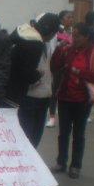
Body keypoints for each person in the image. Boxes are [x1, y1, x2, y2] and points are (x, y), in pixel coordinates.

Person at [50, 22, 94, 179]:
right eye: (72, 36)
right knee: (63, 133)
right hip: (65, 97)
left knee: (79, 134)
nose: (73, 39)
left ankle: (75, 165)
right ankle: (61, 162)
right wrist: (58, 49)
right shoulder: (68, 50)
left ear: (86, 37)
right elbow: (55, 66)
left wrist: (80, 72)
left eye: (77, 37)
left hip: (83, 100)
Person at [6, 13, 60, 148]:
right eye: (54, 32)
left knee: (34, 138)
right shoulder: (31, 43)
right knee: (26, 139)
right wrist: (37, 76)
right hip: (29, 98)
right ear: (51, 31)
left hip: (43, 98)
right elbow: (24, 72)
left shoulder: (43, 43)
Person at [46, 9, 75, 128]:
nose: (71, 19)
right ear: (61, 19)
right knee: (55, 91)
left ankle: (69, 117)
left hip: (71, 66)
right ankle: (52, 116)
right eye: (68, 17)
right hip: (58, 66)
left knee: (69, 92)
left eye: (72, 17)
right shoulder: (57, 32)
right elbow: (52, 48)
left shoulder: (73, 32)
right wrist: (60, 46)